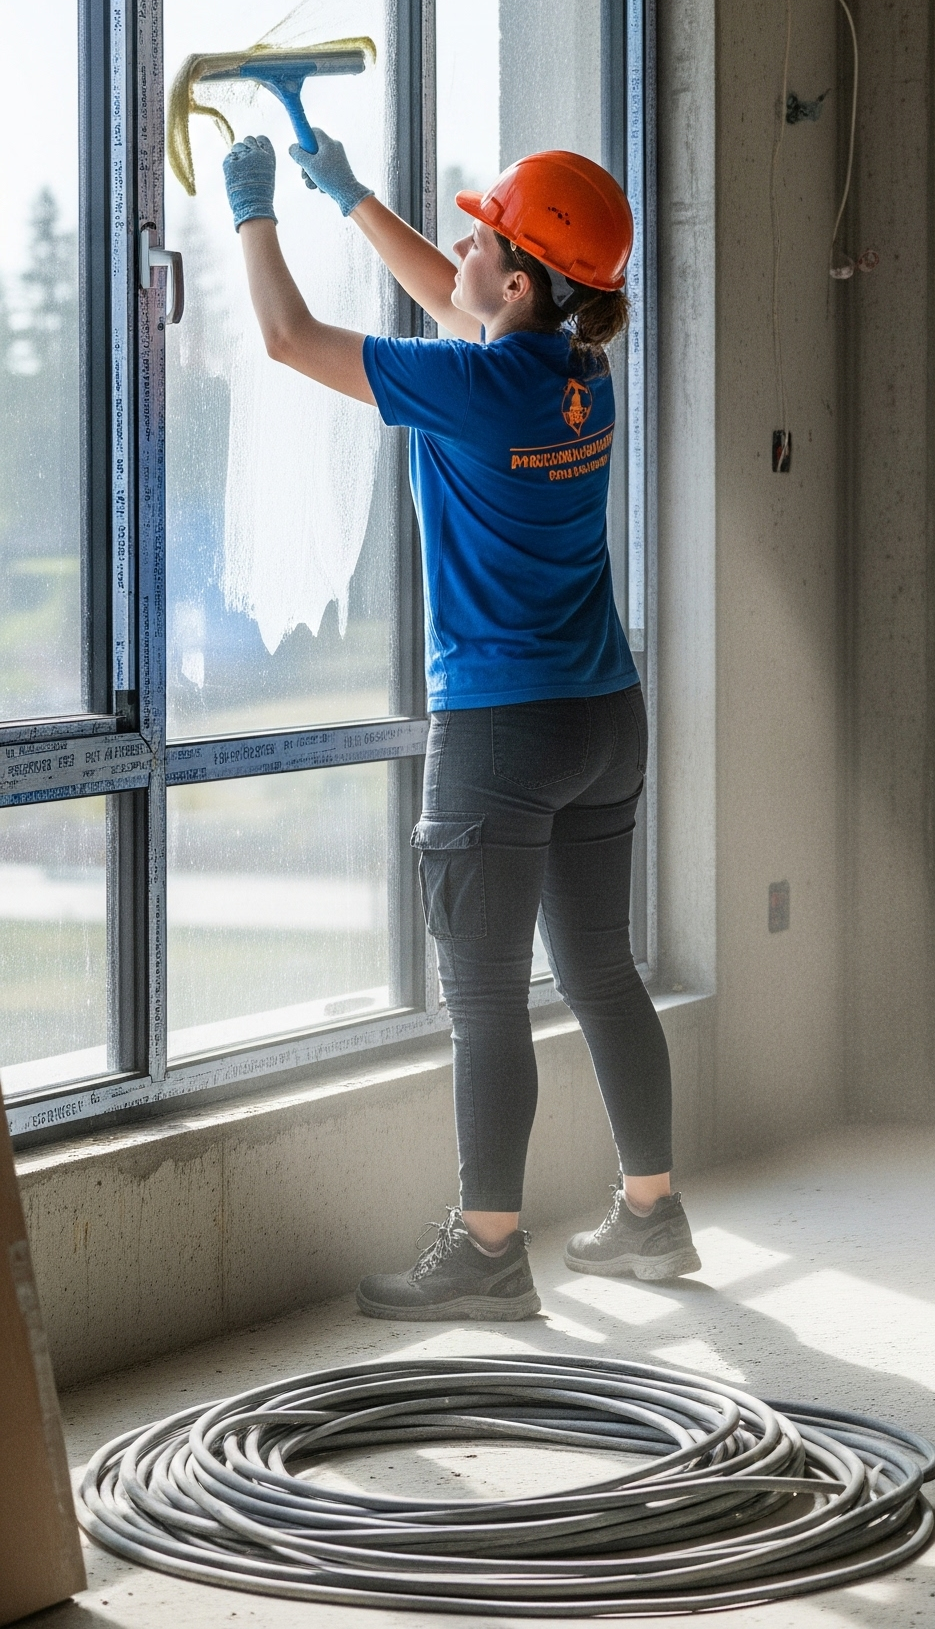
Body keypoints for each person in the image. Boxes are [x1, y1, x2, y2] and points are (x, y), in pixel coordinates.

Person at [219, 126, 697, 1321]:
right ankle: (651, 1211)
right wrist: (355, 199)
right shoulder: (578, 369)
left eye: (485, 239)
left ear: (524, 279)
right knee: (599, 967)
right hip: (605, 714)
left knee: (485, 995)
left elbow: (288, 339)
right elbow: (458, 294)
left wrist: (255, 212)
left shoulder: (477, 383)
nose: (465, 250)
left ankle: (487, 1249)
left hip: (501, 732)